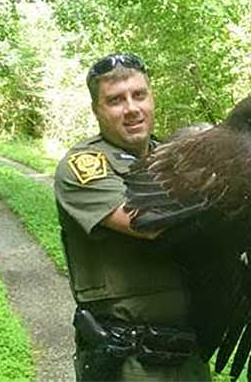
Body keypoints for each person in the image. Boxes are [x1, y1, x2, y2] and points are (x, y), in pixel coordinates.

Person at [54, 53, 212, 381]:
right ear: (97, 110)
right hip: (130, 362)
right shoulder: (84, 166)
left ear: (151, 98)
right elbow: (148, 222)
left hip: (190, 355)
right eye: (115, 100)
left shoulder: (174, 155)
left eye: (139, 95)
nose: (131, 109)